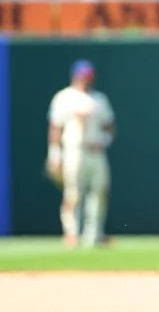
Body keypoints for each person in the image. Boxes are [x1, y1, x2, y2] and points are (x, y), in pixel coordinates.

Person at [45, 60, 115, 248]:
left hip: (95, 151)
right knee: (73, 192)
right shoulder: (64, 98)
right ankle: (71, 234)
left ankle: (94, 234)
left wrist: (103, 141)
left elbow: (110, 127)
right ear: (75, 75)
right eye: (83, 75)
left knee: (100, 191)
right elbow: (55, 128)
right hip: (74, 150)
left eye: (88, 75)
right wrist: (54, 154)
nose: (86, 79)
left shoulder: (99, 99)